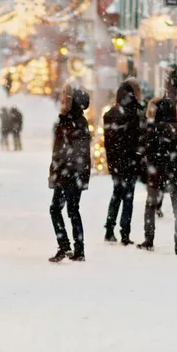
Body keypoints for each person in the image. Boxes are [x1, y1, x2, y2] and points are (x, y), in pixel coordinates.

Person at [139, 98, 177, 254]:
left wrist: (153, 168)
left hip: (157, 175)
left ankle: (149, 240)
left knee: (150, 206)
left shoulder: (153, 129)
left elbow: (148, 153)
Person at [48, 83, 92, 262]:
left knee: (60, 209)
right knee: (69, 209)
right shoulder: (72, 120)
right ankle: (75, 248)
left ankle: (68, 246)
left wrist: (63, 169)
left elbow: (73, 151)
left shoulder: (74, 122)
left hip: (70, 173)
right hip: (70, 173)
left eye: (64, 97)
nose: (61, 100)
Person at [102, 78, 143, 245]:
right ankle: (124, 232)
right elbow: (137, 140)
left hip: (117, 163)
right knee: (128, 197)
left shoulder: (111, 114)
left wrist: (112, 163)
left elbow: (109, 143)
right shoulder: (134, 114)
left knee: (117, 195)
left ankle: (110, 228)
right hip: (130, 162)